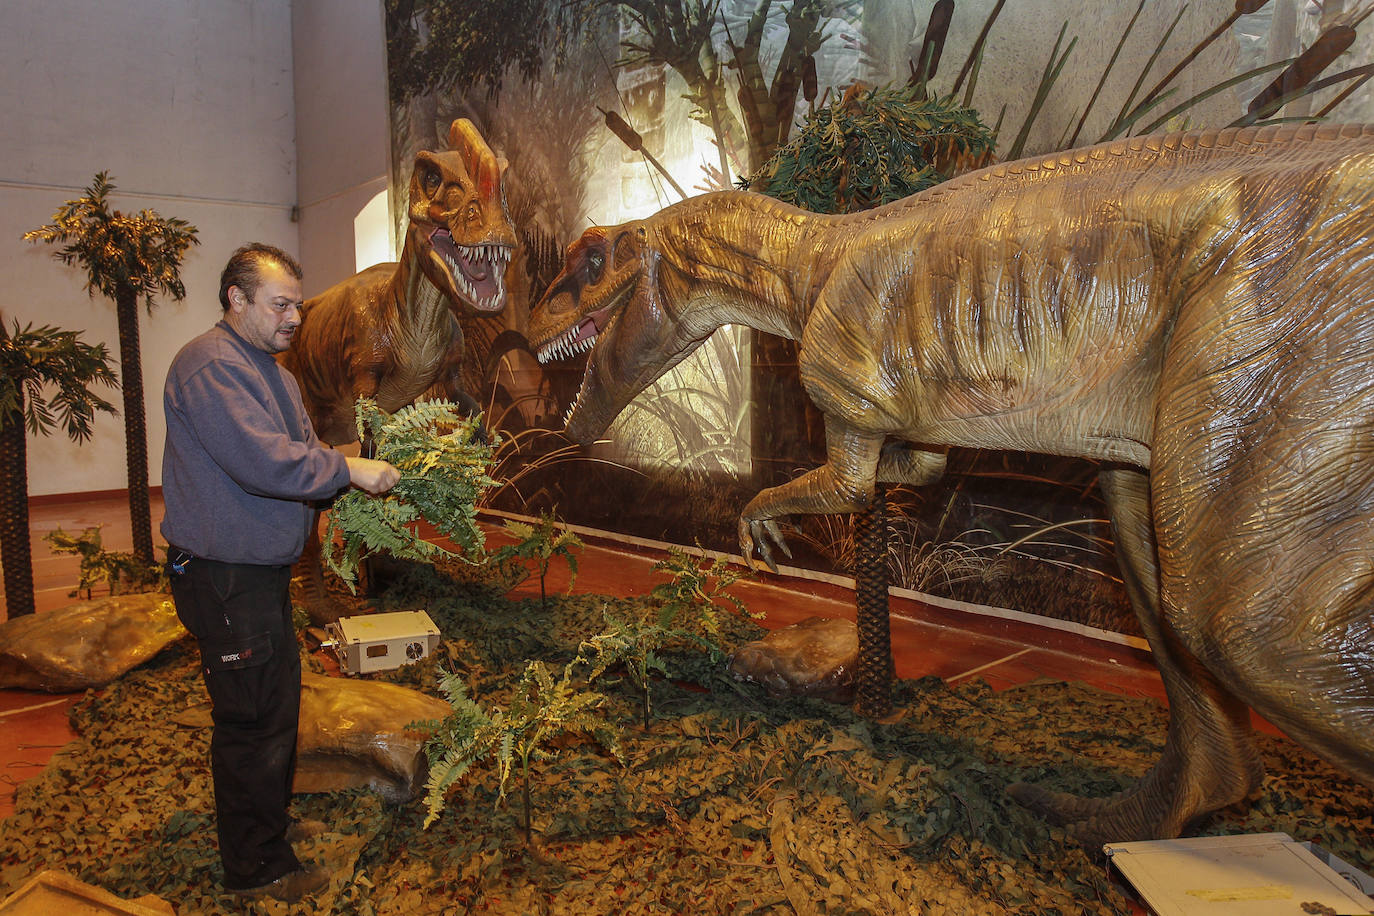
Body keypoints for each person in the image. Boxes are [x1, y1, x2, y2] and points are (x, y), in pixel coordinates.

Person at [160, 243, 399, 902]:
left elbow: (303, 452)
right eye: (280, 304)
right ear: (235, 299)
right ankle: (257, 869)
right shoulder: (210, 368)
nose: (295, 317)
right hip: (225, 577)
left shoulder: (273, 372)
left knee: (272, 709)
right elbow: (265, 463)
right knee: (255, 722)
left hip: (257, 576)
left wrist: (350, 459)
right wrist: (347, 469)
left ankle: (264, 837)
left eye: (298, 303)